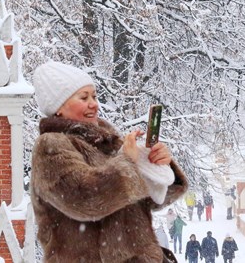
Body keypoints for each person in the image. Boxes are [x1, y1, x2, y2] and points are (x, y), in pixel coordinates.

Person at [30, 61, 188, 262]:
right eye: (84, 97)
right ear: (58, 107)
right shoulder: (51, 146)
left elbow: (147, 202)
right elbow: (85, 198)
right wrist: (126, 162)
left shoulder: (108, 142)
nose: (94, 104)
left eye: (94, 96)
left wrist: (158, 167)